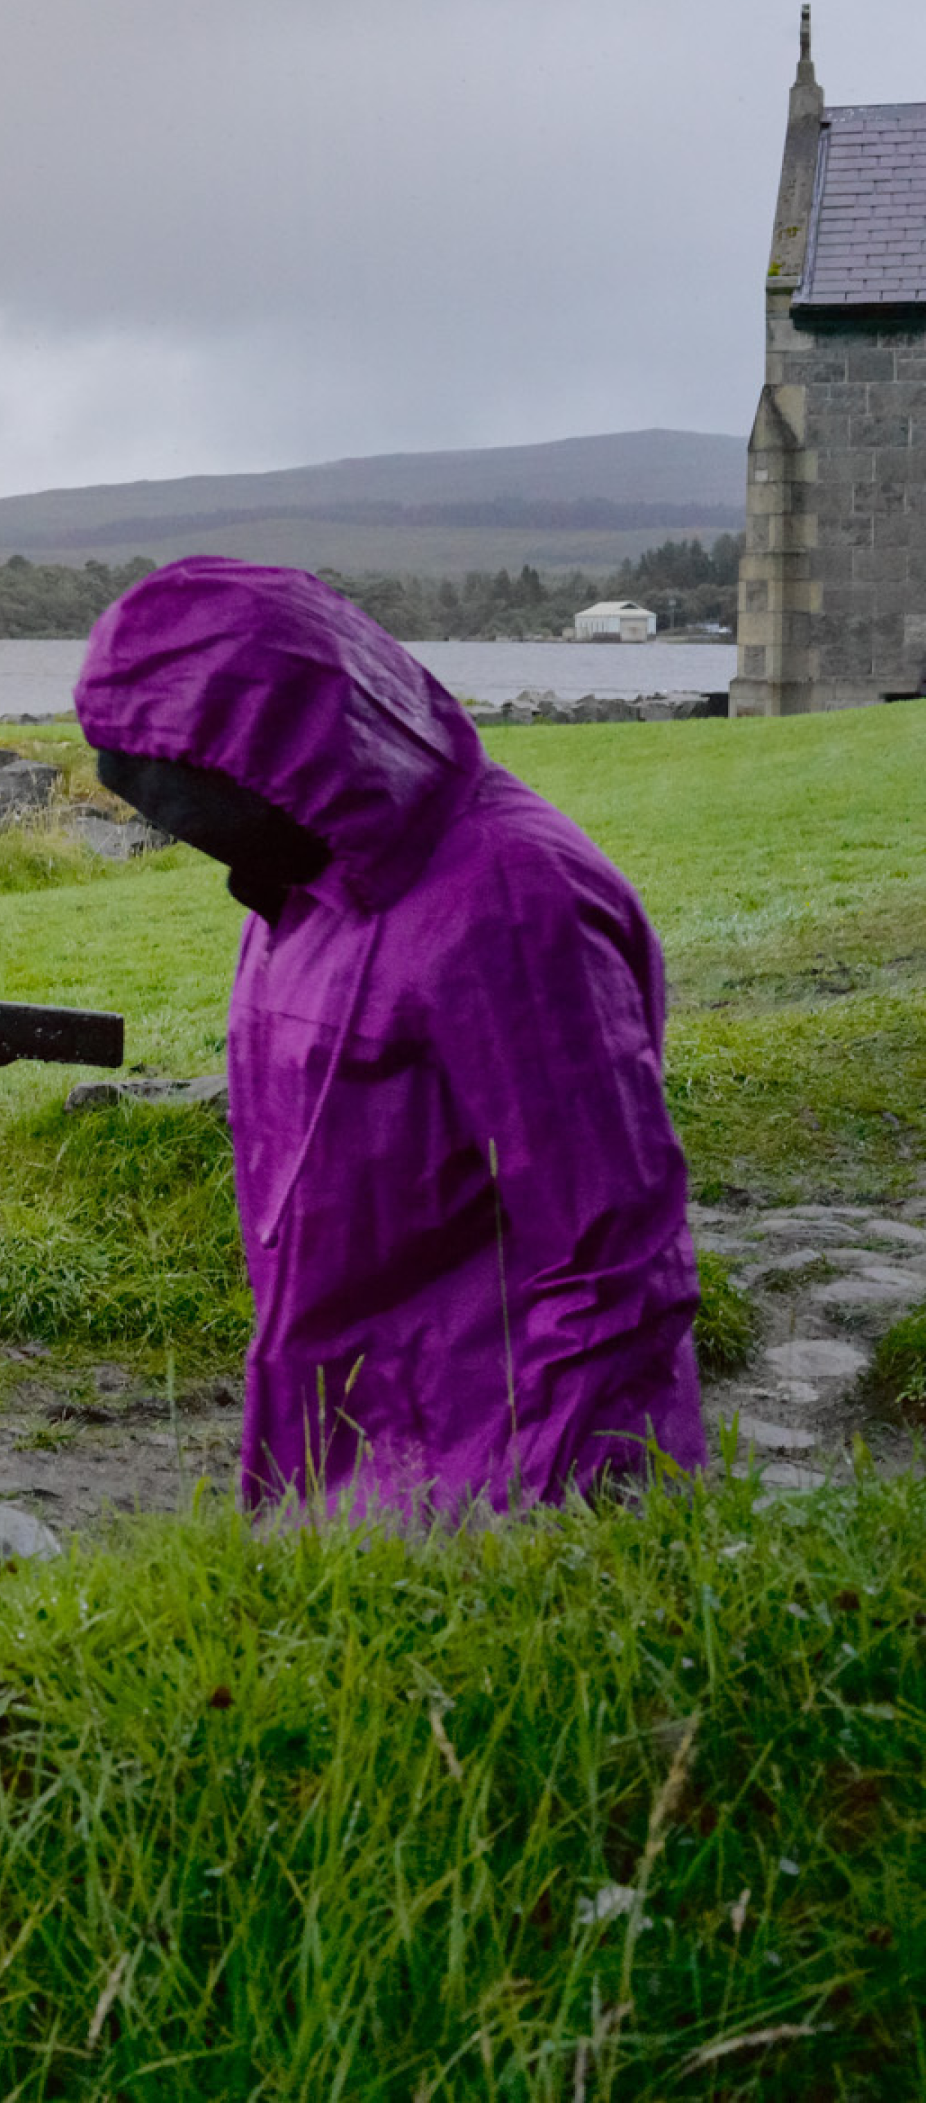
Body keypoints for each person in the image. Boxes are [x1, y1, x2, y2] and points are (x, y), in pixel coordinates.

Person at [75, 557, 706, 1520]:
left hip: (495, 1470)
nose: (200, 842)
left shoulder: (512, 904)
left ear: (289, 756)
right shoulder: (294, 888)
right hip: (340, 1439)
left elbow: (611, 1253)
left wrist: (553, 1525)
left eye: (199, 805)